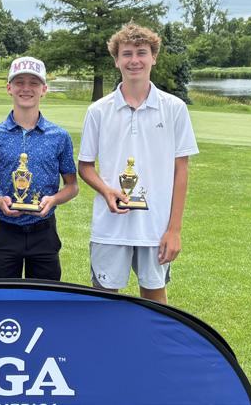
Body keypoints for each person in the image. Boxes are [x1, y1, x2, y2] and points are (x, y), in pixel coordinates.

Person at [78, 23, 198, 304]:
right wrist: (107, 191)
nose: (134, 60)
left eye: (141, 53)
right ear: (116, 60)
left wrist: (174, 230)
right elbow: (85, 166)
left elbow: (181, 170)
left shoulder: (174, 108)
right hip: (110, 228)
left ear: (154, 57)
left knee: (155, 304)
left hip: (155, 228)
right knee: (104, 304)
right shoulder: (98, 110)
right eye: (127, 53)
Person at [0, 56, 78, 280]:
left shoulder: (59, 136)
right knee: (2, 296)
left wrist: (53, 200)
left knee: (44, 297)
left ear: (44, 89)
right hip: (5, 231)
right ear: (9, 88)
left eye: (34, 83)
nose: (26, 88)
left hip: (44, 232)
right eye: (19, 82)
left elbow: (72, 186)